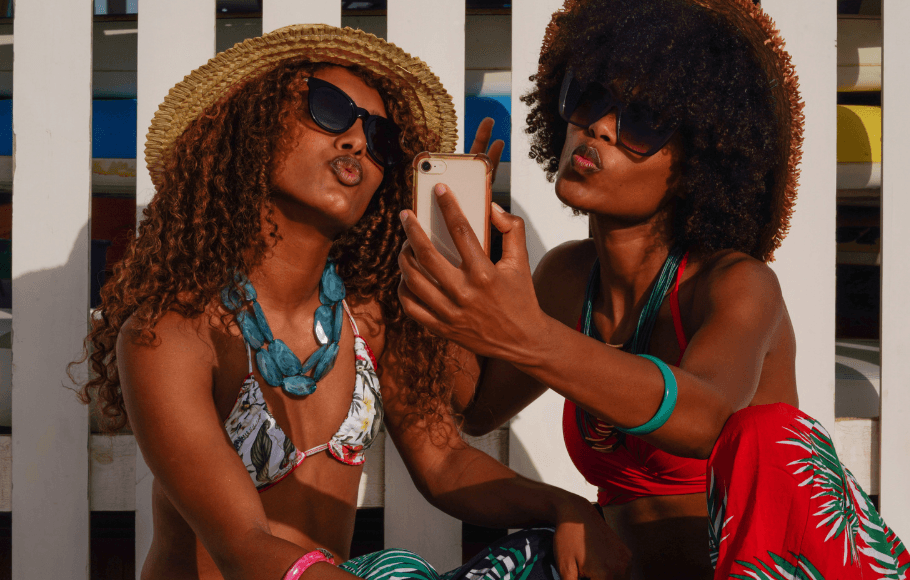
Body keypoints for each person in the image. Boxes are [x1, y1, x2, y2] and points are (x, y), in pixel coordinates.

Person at [73, 24, 629, 580]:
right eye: (329, 109)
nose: (357, 141)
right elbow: (245, 545)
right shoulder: (173, 334)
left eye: (381, 137)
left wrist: (566, 507)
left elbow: (444, 461)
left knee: (540, 556)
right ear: (253, 129)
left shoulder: (367, 318)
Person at [395, 1, 910, 579]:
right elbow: (477, 410)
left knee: (769, 434)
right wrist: (451, 264)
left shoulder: (737, 285)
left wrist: (532, 336)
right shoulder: (569, 281)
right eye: (589, 97)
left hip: (763, 568)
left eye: (642, 119)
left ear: (700, 160)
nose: (599, 127)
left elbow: (705, 418)